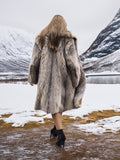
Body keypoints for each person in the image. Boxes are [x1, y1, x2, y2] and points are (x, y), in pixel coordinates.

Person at [28, 15, 86, 148]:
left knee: (55, 105)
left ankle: (60, 133)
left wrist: (33, 77)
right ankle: (56, 129)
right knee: (58, 105)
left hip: (47, 80)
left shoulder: (41, 40)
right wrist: (75, 79)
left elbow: (34, 61)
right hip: (64, 80)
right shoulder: (68, 40)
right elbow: (73, 63)